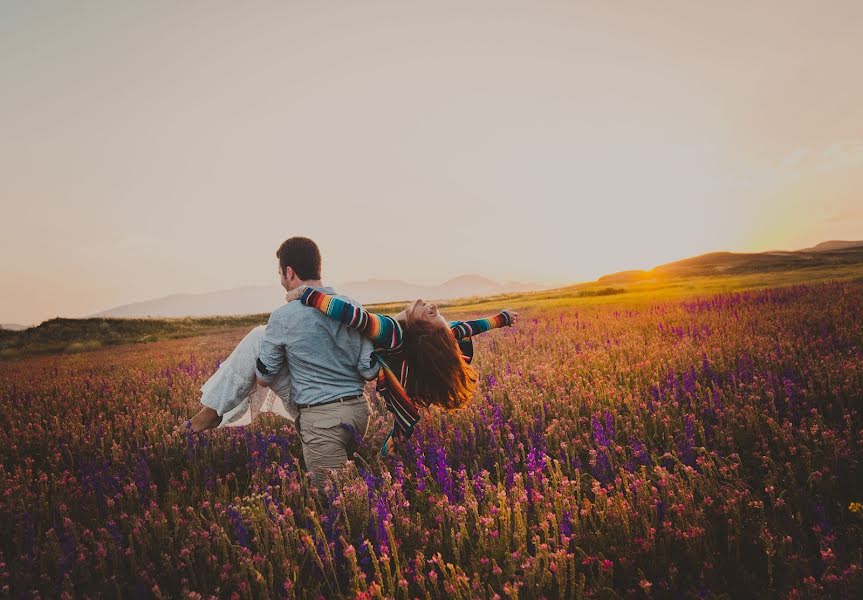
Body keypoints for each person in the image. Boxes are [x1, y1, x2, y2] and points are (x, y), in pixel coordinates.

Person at [187, 237, 378, 494]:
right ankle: (211, 412)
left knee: (336, 503)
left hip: (322, 421)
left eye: (280, 273)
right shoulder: (353, 307)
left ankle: (211, 412)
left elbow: (264, 378)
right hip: (359, 414)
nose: (281, 280)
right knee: (345, 494)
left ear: (289, 272)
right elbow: (369, 370)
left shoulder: (284, 316)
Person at [287, 285, 517, 455]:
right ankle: (382, 459)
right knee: (401, 428)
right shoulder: (430, 336)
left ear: (421, 329)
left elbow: (352, 315)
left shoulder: (393, 333)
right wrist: (502, 318)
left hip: (347, 370)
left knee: (402, 426)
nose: (433, 305)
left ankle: (380, 462)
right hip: (368, 370)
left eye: (431, 313)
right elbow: (465, 328)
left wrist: (308, 294)